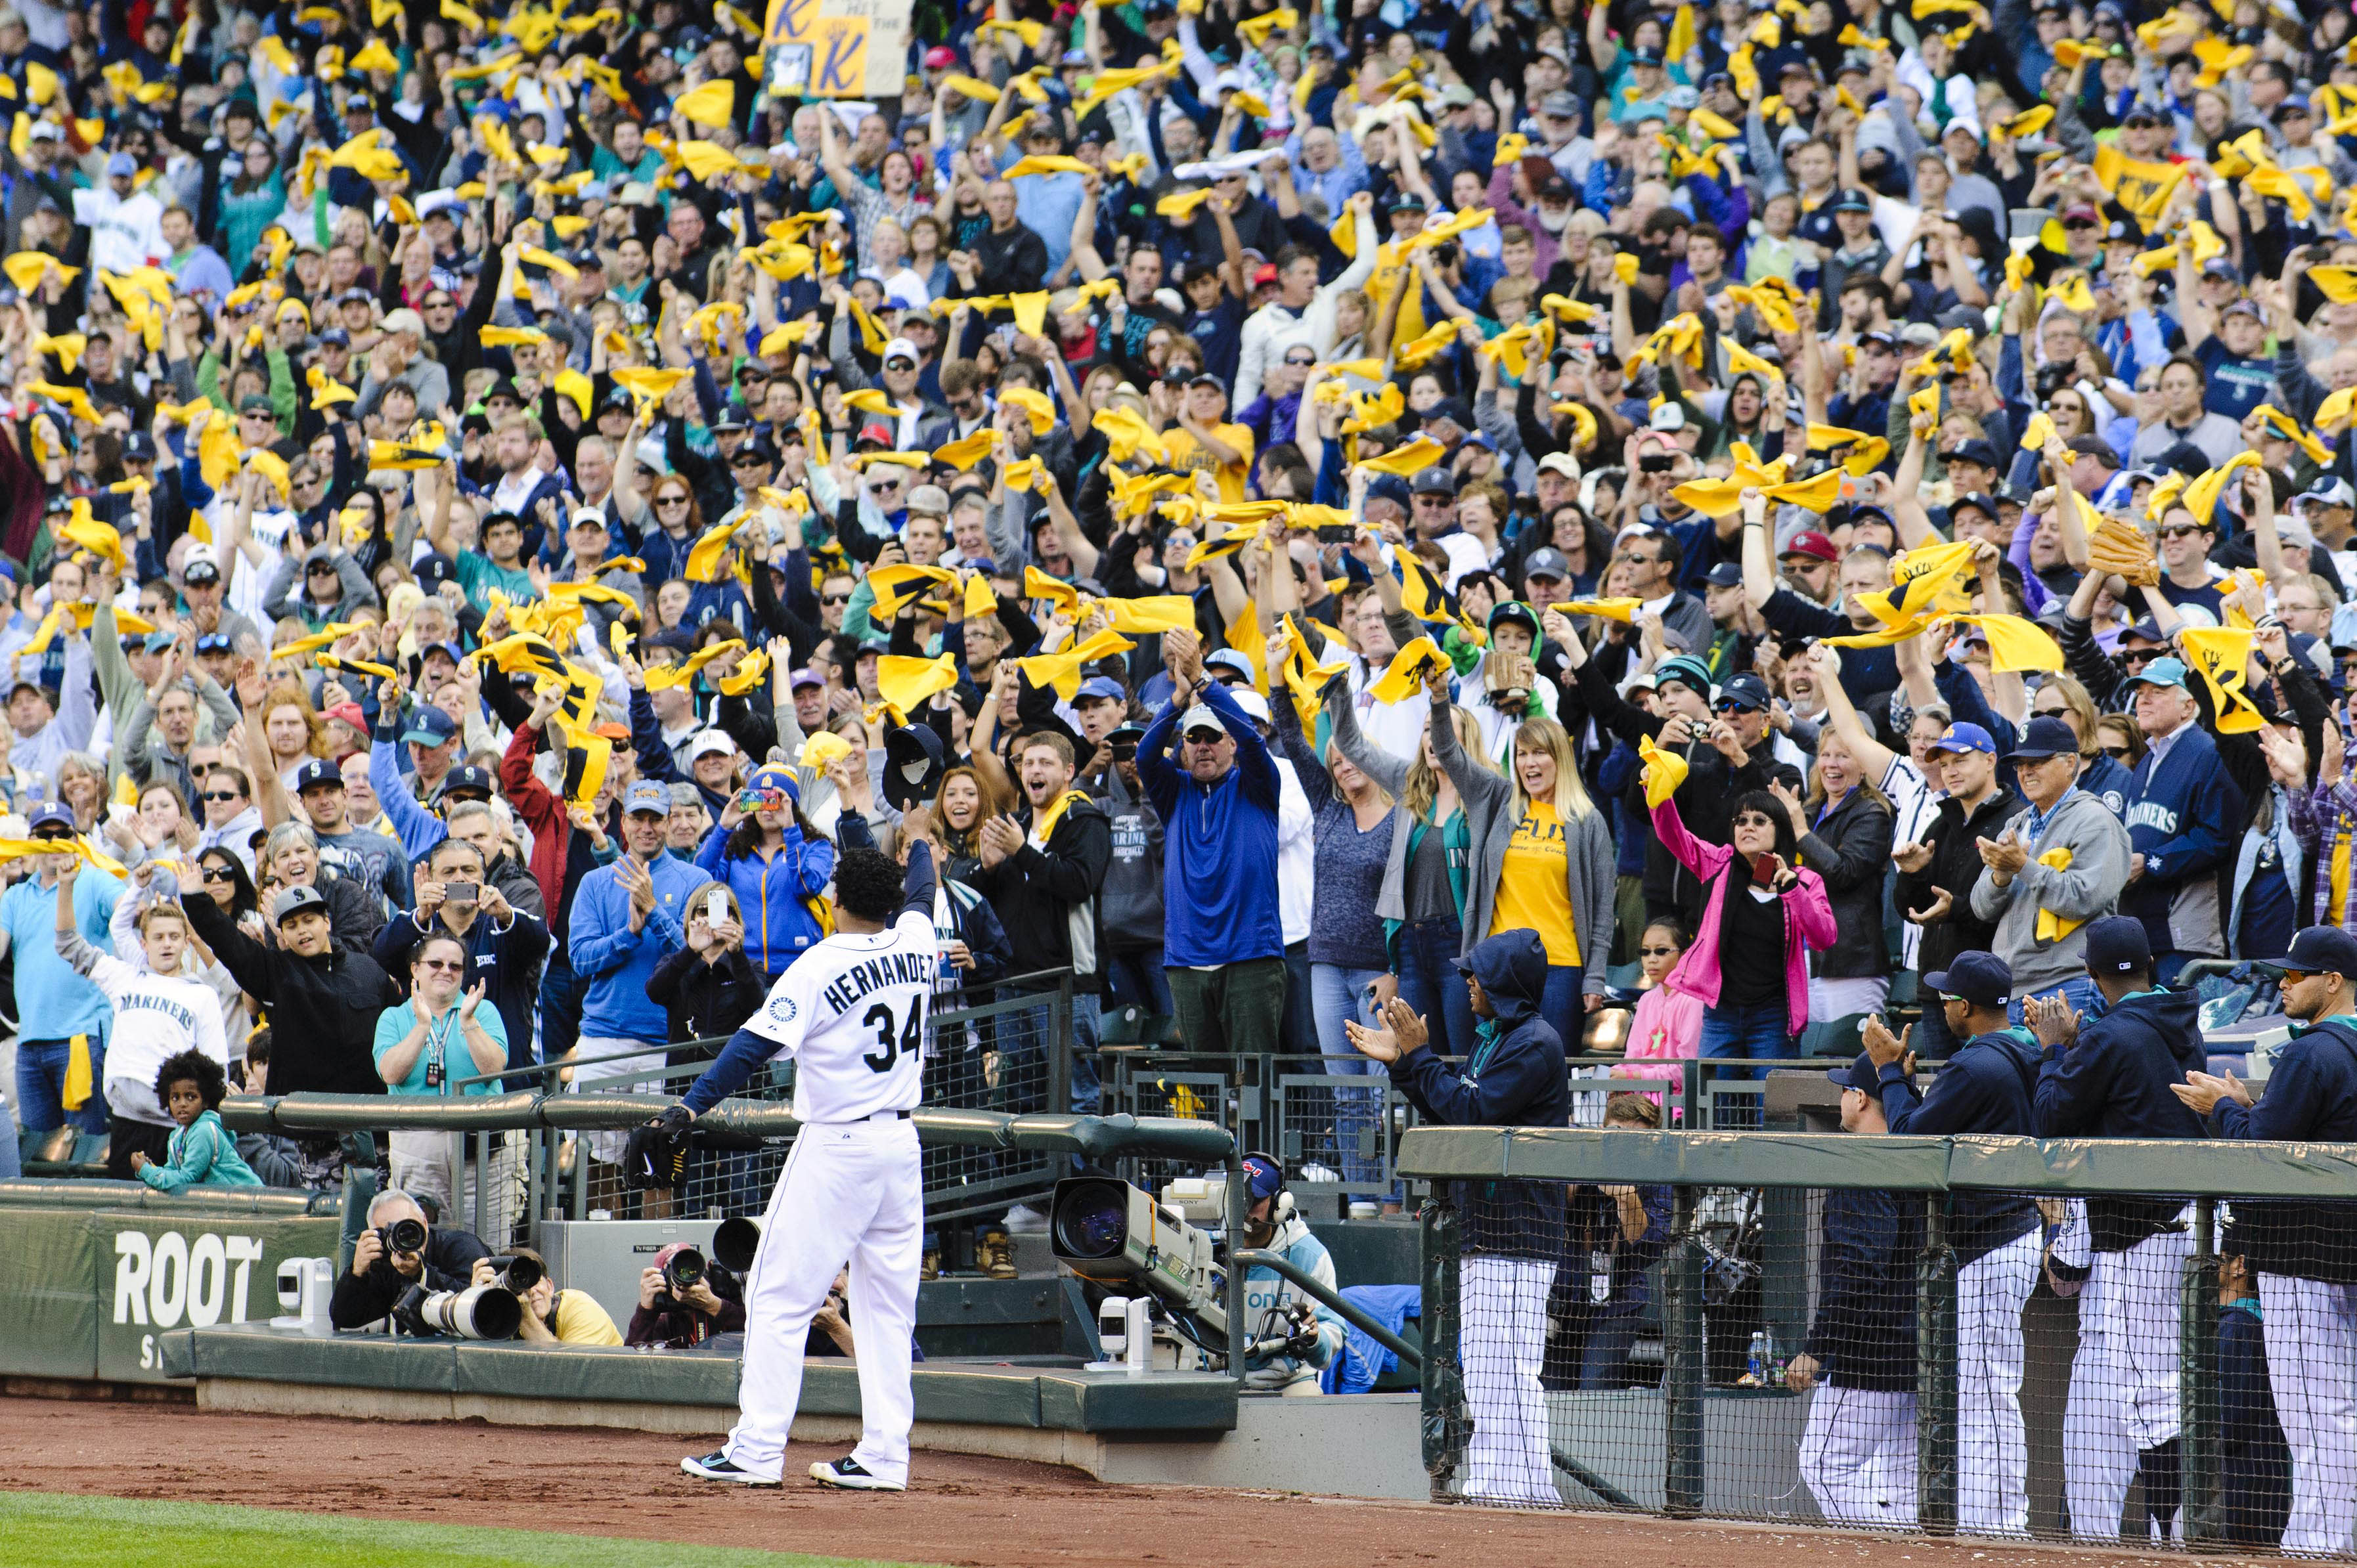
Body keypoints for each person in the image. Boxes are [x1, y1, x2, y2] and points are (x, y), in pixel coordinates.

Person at [663, 842, 940, 1492]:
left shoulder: (822, 961)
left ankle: (756, 1450)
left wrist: (689, 1107)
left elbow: (751, 1047)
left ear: (835, 900)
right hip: (901, 1148)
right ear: (892, 903)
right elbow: (924, 889)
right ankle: (884, 1456)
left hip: (838, 1146)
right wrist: (921, 838)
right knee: (888, 1312)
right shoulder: (918, 940)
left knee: (776, 1296)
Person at [1347, 929, 1569, 1507]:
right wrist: (1404, 1062)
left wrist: (1416, 1055)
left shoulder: (1535, 1043)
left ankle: (1529, 1493)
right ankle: (1497, 1486)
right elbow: (1454, 1105)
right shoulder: (1494, 1038)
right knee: (1488, 1373)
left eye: (1477, 975)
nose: (1467, 982)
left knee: (1510, 1371)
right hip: (1486, 1228)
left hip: (1518, 1233)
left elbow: (1471, 1110)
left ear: (1504, 985)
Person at [2172, 925, 2357, 1557]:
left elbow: (2262, 1149)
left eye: (2294, 975)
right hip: (2344, 1251)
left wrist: (2222, 1106)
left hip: (2303, 1256)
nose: (2281, 983)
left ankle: (2318, 1546)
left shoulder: (2312, 1052)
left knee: (2315, 1415)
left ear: (2331, 982)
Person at [2027, 915, 2209, 1544]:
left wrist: (2056, 1048)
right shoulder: (2175, 1022)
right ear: (2150, 966)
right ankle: (2096, 1540)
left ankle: (2175, 1539)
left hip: (2137, 1238)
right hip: (2172, 1230)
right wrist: (2086, 1042)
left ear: (2090, 974)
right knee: (2099, 1402)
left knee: (2150, 1400)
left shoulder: (2117, 1035)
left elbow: (2051, 1117)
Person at [1862, 953, 2041, 1538]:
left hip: (1989, 1242)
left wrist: (1889, 1073)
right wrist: (1908, 1085)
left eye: (1946, 997)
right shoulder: (2022, 1050)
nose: (1940, 1005)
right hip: (2008, 1233)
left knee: (1985, 1394)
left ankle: (1999, 1524)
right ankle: (1992, 1518)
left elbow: (1912, 1144)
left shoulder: (1976, 1065)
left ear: (1965, 1007)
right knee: (1984, 1390)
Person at [1788, 1052, 1922, 1529]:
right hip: (1920, 1350)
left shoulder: (1865, 1166)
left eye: (1845, 1089)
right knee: (1904, 1483)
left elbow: (1858, 1273)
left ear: (1860, 1097)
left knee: (1825, 1467)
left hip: (1870, 1354)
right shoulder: (1918, 1157)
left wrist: (1817, 1349)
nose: (1841, 1095)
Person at [566, 780, 702, 1214]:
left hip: (666, 1040)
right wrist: (628, 935)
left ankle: (656, 1259)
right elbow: (580, 959)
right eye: (638, 818)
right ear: (622, 822)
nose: (647, 827)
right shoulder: (594, 882)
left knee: (657, 1154)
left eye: (656, 819)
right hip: (604, 1038)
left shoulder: (698, 880)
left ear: (669, 821)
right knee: (599, 1156)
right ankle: (601, 1246)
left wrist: (654, 912)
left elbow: (706, 956)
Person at [1649, 782, 1838, 1090]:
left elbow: (1825, 938)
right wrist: (1656, 790)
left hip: (1774, 1018)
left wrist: (1793, 892)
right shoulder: (1719, 864)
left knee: (1774, 1111)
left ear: (1780, 830)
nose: (1747, 827)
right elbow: (1673, 835)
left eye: (1759, 821)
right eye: (1741, 820)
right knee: (1714, 1109)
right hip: (1720, 1014)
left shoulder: (1804, 880)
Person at [53, 861, 227, 1179]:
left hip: (178, 1128)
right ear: (143, 943)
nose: (167, 944)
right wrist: (66, 886)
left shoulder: (203, 996)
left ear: (186, 942)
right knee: (123, 1212)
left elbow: (216, 1069)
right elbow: (67, 944)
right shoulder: (125, 977)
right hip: (127, 1122)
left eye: (175, 936)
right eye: (158, 937)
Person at [1968, 716, 2132, 1019]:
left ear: (2071, 763)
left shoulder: (2095, 820)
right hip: (2013, 990)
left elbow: (2085, 897)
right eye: (2020, 765)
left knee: (2064, 1068)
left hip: (2069, 985)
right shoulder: (2018, 823)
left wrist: (2022, 866)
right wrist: (2001, 876)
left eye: (2038, 762)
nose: (2026, 772)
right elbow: (1981, 907)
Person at [1, 803, 128, 1141]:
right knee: (37, 1152)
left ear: (77, 838)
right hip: (30, 1043)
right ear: (32, 842)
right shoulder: (16, 896)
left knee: (85, 1148)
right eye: (45, 835)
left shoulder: (95, 880)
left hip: (81, 1038)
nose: (55, 842)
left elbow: (129, 910)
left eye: (63, 834)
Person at [374, 934, 508, 1217]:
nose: (446, 971)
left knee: (488, 1243)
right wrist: (422, 1026)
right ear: (415, 969)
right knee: (423, 1241)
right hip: (417, 1146)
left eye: (455, 966)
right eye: (435, 963)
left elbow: (494, 1068)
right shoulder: (393, 1017)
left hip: (478, 1146)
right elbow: (390, 1073)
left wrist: (469, 1021)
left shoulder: (483, 1010)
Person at [1549, 1092, 1671, 1390]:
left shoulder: (1658, 1175)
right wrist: (1577, 1174)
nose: (1625, 1148)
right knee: (1548, 1398)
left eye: (1638, 1141)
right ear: (1604, 1132)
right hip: (1561, 1298)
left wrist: (1627, 1197)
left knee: (1595, 1394)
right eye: (1618, 1136)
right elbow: (1546, 1213)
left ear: (1652, 1144)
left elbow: (1648, 1249)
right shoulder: (1583, 1154)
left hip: (1619, 1302)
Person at [1231, 1153, 1346, 1396]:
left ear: (1279, 1205)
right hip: (1215, 1377)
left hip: (1286, 1382)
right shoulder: (1205, 1243)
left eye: (1255, 1199)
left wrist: (1314, 1338)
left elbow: (1333, 1333)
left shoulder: (1310, 1255)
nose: (1243, 1207)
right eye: (1236, 1197)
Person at [330, 1188, 492, 1330]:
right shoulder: (384, 1263)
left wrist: (422, 1273)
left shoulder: (461, 1246)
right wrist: (356, 1272)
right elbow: (344, 1319)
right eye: (393, 1232)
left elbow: (475, 1305)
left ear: (425, 1223)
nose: (405, 1237)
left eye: (410, 1226)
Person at [128, 1049, 259, 1192]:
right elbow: (172, 1172)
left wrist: (145, 1170)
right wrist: (150, 1168)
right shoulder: (178, 1135)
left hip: (249, 1203)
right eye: (175, 1098)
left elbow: (186, 1179)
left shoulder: (204, 1130)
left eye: (191, 1097)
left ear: (206, 1101)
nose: (182, 1104)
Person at [467, 1248, 622, 1346]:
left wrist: (524, 1313)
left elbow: (570, 1372)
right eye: (520, 1284)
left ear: (550, 1286)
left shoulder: (582, 1308)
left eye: (534, 1281)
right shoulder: (505, 1316)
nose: (530, 1291)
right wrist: (479, 1302)